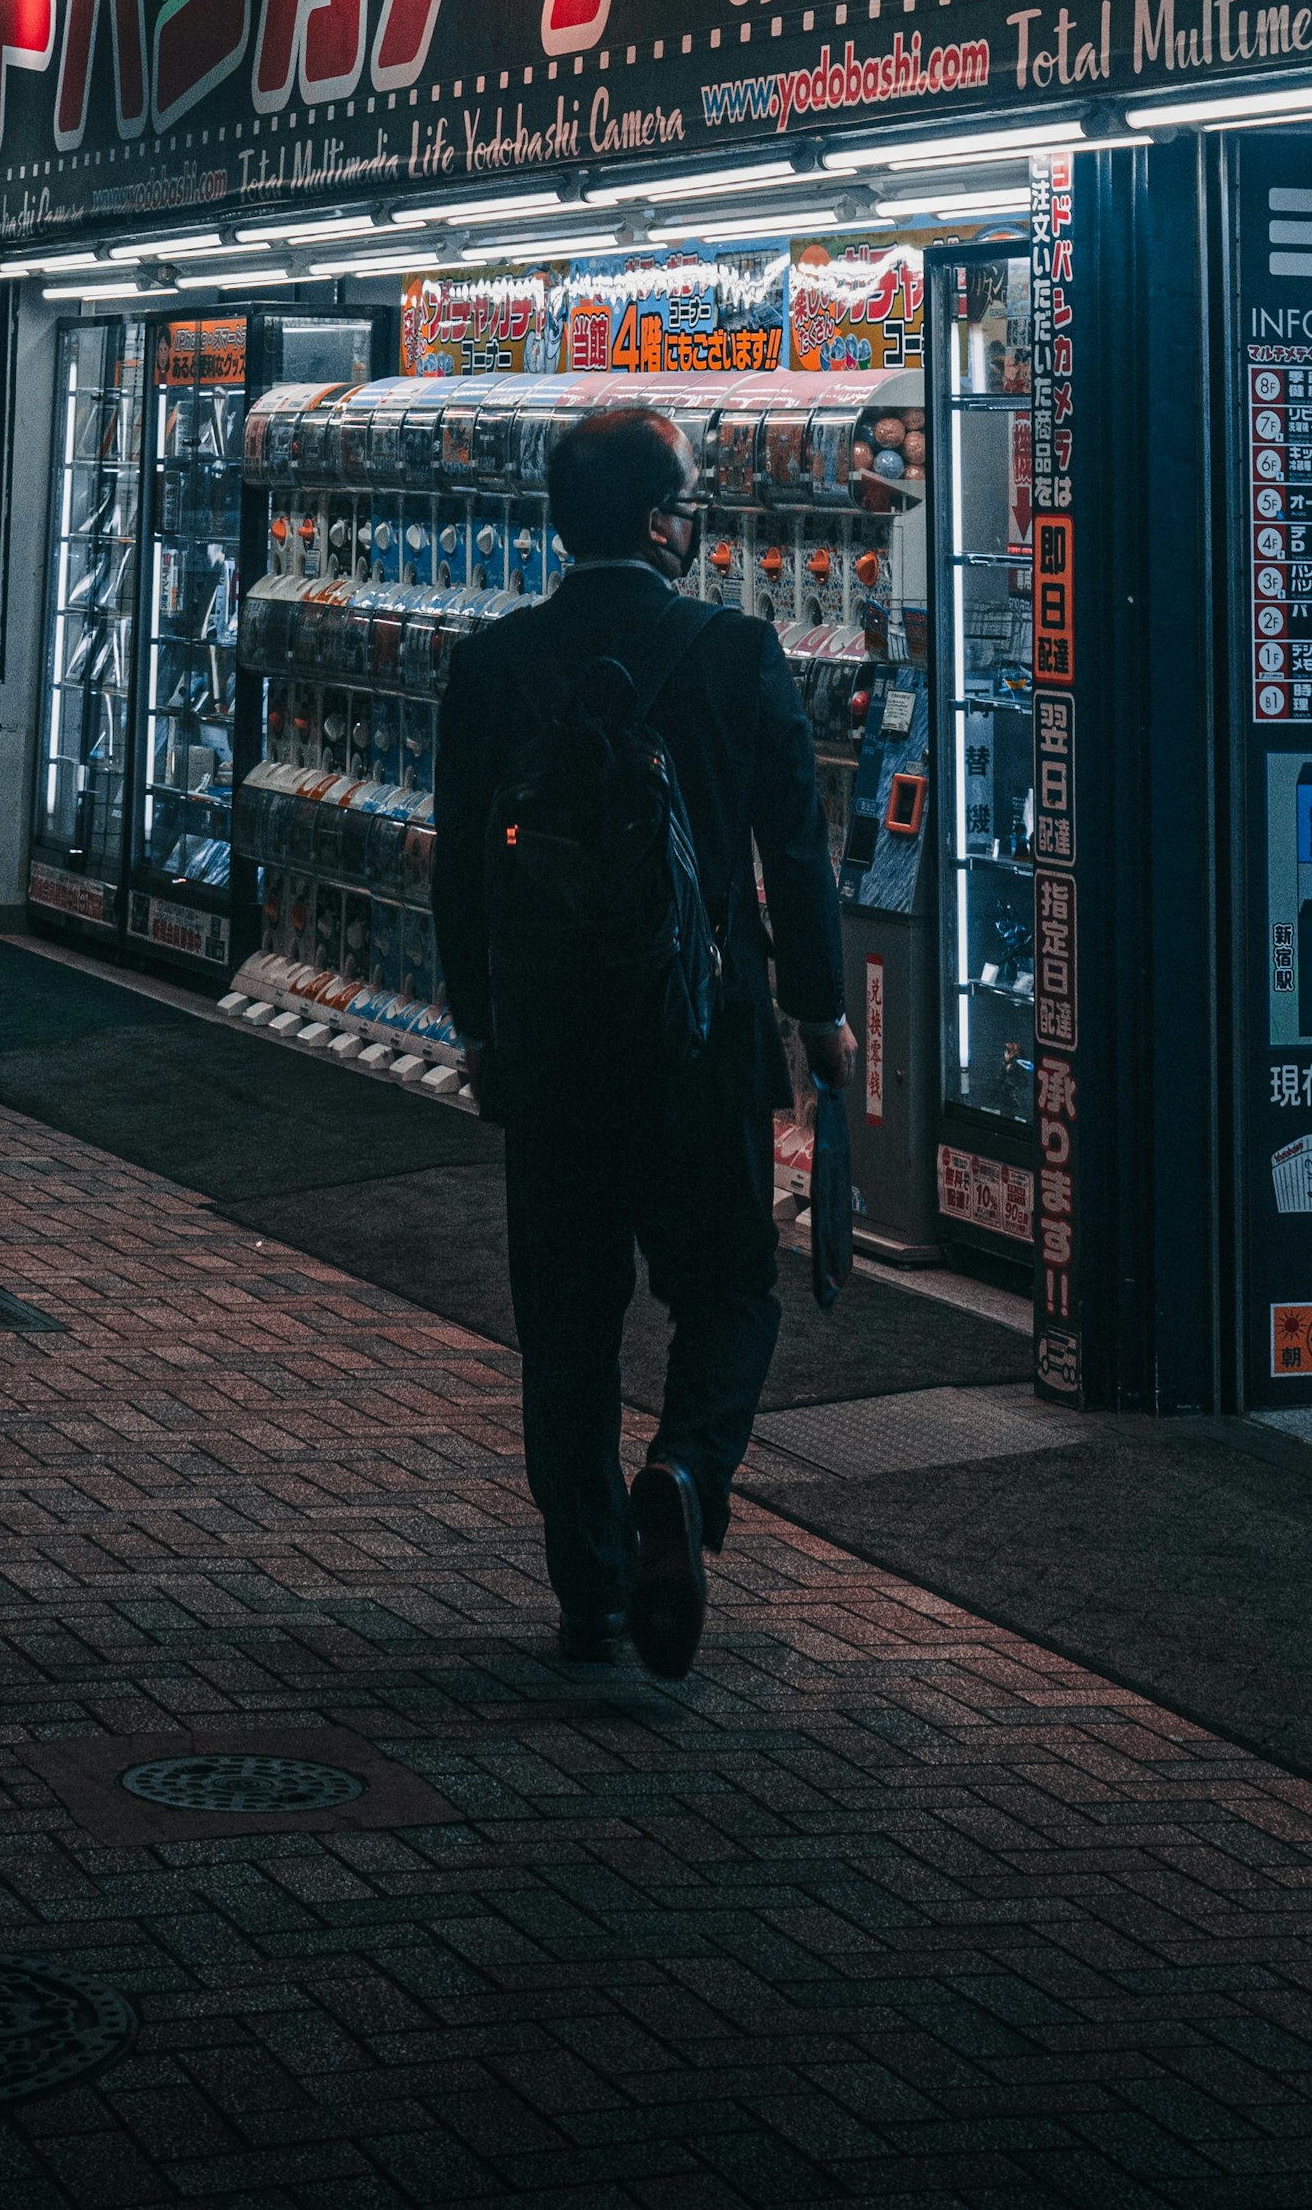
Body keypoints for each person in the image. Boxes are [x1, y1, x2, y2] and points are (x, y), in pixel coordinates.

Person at [432, 401, 856, 1678]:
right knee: (728, 1289)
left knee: (566, 1328)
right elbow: (796, 853)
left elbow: (461, 874)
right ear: (664, 522)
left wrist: (480, 1027)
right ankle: (683, 1468)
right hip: (700, 1043)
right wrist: (819, 1013)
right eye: (688, 503)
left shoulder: (495, 663)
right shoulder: (736, 653)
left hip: (551, 1050)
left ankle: (593, 1597)